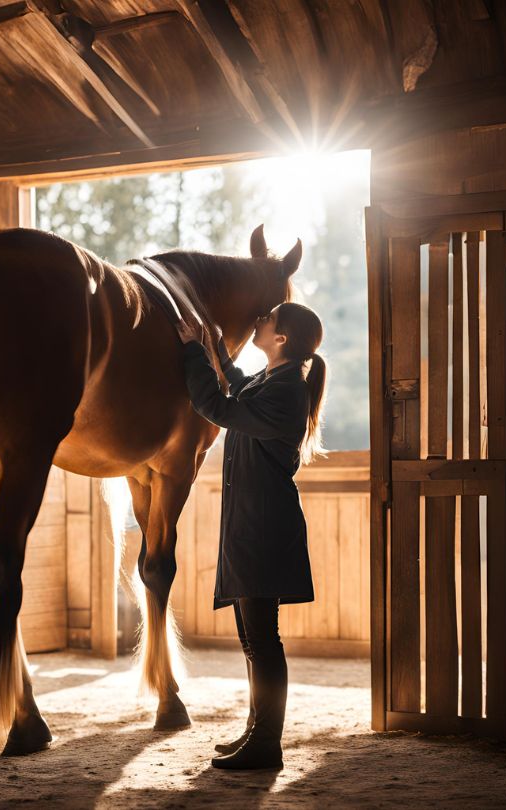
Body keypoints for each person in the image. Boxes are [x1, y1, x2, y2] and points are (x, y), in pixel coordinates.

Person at [176, 302, 326, 770]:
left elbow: (216, 405)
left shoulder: (288, 391)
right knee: (253, 639)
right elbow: (238, 385)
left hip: (264, 527)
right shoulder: (272, 381)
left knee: (262, 639)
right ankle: (257, 731)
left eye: (269, 320)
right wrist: (213, 343)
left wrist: (192, 354)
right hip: (253, 524)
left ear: (281, 339)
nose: (260, 321)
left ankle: (267, 744)